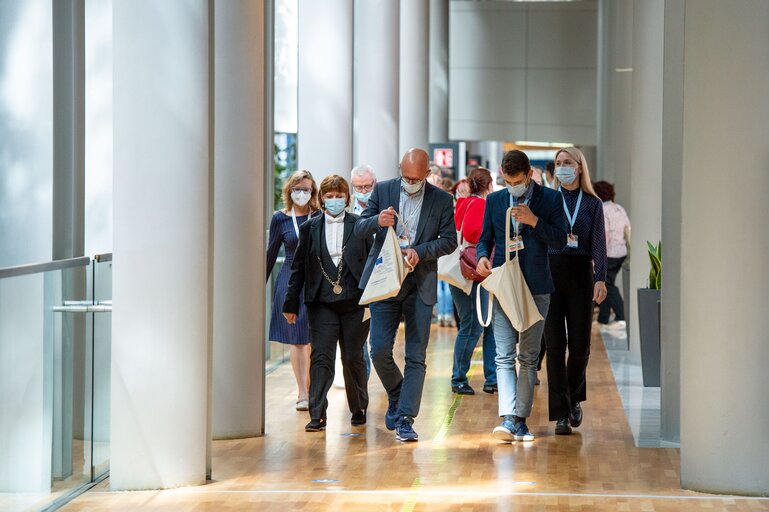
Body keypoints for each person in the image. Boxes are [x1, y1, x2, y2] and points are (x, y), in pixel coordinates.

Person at [354, 148, 457, 442]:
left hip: (419, 283)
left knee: (416, 355)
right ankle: (398, 392)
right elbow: (360, 227)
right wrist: (378, 222)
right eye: (406, 176)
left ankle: (405, 418)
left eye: (416, 178)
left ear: (427, 174)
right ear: (400, 168)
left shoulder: (441, 199)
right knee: (379, 350)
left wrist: (419, 252)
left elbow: (449, 241)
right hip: (385, 281)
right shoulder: (383, 190)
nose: (410, 182)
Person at [476, 151, 567, 442]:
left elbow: (561, 239)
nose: (512, 185)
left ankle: (520, 419)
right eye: (507, 180)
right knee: (503, 355)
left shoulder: (550, 200)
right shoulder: (494, 200)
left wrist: (534, 221)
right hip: (504, 281)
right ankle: (507, 418)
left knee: (527, 356)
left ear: (529, 173)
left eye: (517, 180)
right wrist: (481, 258)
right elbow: (484, 239)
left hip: (537, 285)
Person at [283, 175, 373, 432]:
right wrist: (291, 304)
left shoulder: (360, 225)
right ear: (321, 199)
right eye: (330, 196)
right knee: (321, 357)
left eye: (339, 196)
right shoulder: (310, 228)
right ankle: (317, 413)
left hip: (355, 302)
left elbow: (370, 264)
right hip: (321, 302)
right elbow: (298, 267)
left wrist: (373, 300)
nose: (334, 200)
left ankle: (359, 407)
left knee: (353, 357)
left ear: (347, 198)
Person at [545, 147, 607, 435]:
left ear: (580, 167)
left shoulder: (593, 204)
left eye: (567, 162)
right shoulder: (548, 200)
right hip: (551, 272)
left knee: (580, 345)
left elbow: (598, 243)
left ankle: (572, 396)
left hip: (581, 273)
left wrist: (601, 278)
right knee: (555, 346)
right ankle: (561, 411)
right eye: (558, 163)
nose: (562, 167)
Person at [267, 170, 320, 411]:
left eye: (306, 189)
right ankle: (302, 392)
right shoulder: (281, 218)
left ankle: (312, 387)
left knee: (313, 339)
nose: (302, 194)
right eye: (297, 189)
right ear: (289, 191)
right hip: (289, 281)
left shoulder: (319, 216)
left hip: (316, 280)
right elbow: (270, 255)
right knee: (297, 340)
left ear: (313, 192)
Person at [450, 167, 498, 396]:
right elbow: (472, 234)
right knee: (473, 325)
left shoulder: (463, 203)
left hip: (465, 272)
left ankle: (491, 377)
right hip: (474, 271)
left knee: (483, 324)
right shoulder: (480, 204)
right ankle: (459, 378)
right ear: (489, 186)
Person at [593, 181, 631, 333]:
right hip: (621, 252)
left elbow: (604, 235)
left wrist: (597, 254)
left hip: (608, 253)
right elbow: (627, 228)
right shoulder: (618, 208)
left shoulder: (602, 209)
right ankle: (603, 318)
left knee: (606, 284)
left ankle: (621, 316)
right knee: (606, 283)